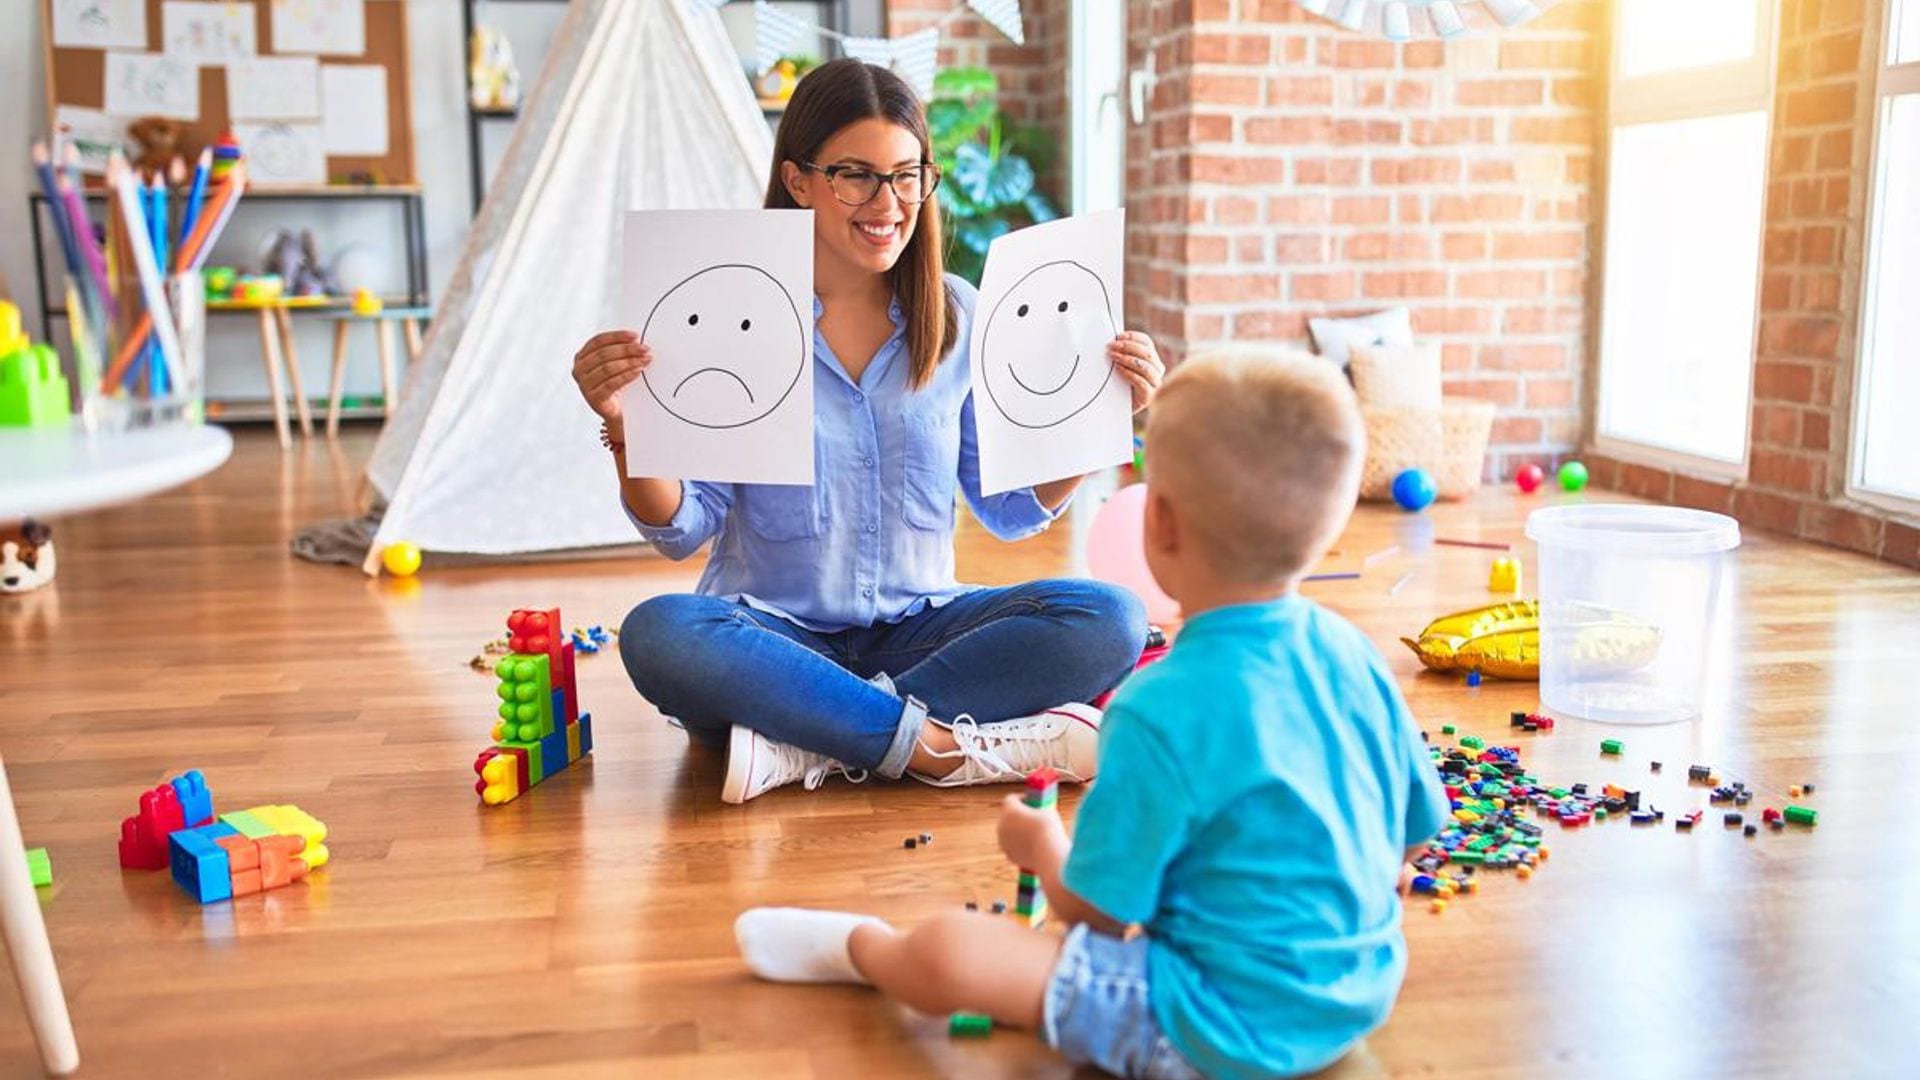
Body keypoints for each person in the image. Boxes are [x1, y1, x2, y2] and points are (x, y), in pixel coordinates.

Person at [731, 350, 1450, 1079]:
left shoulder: (1157, 708)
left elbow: (1097, 918)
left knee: (956, 952)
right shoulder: (1355, 653)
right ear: (1325, 529)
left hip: (1210, 1025)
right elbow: (1418, 837)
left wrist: (1041, 845)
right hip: (1359, 994)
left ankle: (866, 949)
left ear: (1158, 522)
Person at [570, 60, 1163, 803]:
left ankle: (807, 741)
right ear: (798, 179)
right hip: (772, 639)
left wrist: (1095, 414)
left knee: (1110, 617)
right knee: (660, 632)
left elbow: (1009, 510)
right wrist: (627, 428)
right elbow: (683, 527)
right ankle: (933, 746)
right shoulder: (735, 312)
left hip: (919, 629)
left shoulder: (957, 317)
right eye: (857, 175)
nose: (889, 202)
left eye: (908, 175)